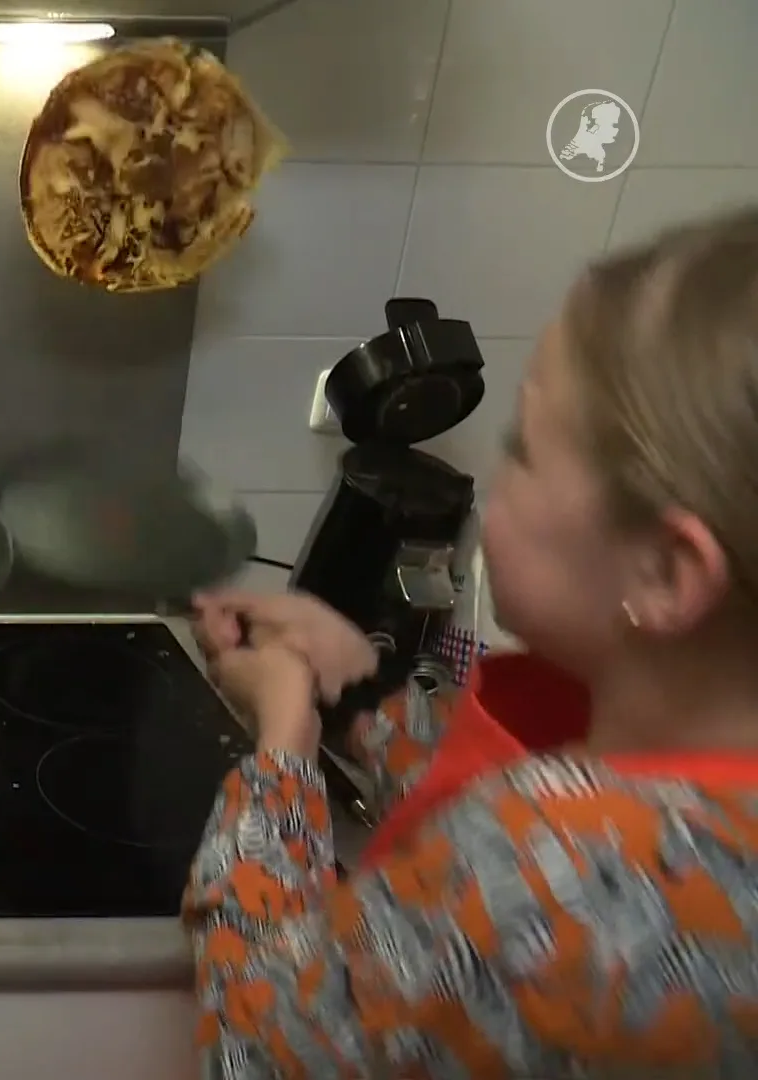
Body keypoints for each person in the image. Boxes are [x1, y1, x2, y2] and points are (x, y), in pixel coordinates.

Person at [183, 205, 758, 1078]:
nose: (492, 476)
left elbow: (264, 1049)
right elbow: (505, 777)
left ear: (667, 574)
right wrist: (364, 695)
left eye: (523, 449)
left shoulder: (554, 882)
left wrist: (283, 754)